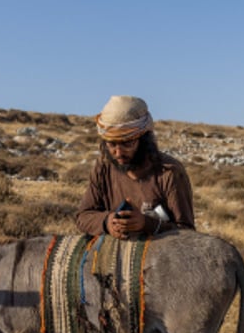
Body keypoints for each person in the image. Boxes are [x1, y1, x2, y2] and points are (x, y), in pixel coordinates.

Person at [75, 95, 195, 240]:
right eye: (112, 144)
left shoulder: (169, 172)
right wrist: (108, 222)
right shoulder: (103, 167)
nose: (118, 153)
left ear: (144, 140)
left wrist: (147, 224)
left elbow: (187, 233)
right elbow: (83, 216)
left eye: (127, 144)